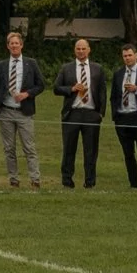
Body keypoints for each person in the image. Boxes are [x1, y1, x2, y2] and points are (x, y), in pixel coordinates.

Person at [0, 30, 42, 189]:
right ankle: (13, 179)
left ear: (21, 45)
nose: (14, 46)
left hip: (24, 112)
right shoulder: (1, 66)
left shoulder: (30, 63)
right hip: (6, 112)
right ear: (8, 46)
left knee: (29, 147)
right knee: (9, 148)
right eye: (11, 43)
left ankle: (35, 179)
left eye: (16, 43)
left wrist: (26, 94)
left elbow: (41, 85)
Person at [54, 38, 103, 188]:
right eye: (78, 49)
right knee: (69, 149)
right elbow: (56, 88)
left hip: (91, 114)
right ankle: (67, 181)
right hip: (72, 113)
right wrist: (71, 89)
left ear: (89, 50)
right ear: (74, 50)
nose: (81, 51)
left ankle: (90, 182)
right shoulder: (66, 68)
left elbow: (102, 92)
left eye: (83, 49)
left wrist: (100, 113)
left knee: (91, 151)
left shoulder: (97, 69)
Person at [109, 43, 137, 188]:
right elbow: (114, 96)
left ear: (136, 55)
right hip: (122, 117)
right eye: (125, 56)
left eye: (130, 55)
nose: (127, 58)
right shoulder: (118, 73)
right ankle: (133, 183)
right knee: (128, 153)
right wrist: (115, 114)